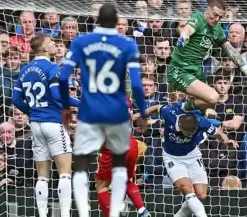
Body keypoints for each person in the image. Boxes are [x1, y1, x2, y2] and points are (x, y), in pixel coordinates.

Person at [58, 3, 147, 217]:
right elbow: (136, 85)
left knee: (82, 166)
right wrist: (142, 112)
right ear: (117, 23)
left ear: (96, 20)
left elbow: (62, 77)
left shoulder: (81, 41)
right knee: (119, 172)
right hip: (117, 113)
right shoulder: (127, 44)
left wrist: (65, 107)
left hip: (91, 111)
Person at [12, 34, 80, 217]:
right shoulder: (52, 68)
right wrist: (81, 103)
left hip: (35, 124)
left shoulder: (25, 70)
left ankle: (43, 214)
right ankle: (65, 214)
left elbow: (16, 99)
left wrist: (32, 111)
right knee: (65, 172)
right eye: (51, 43)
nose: (54, 46)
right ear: (43, 48)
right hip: (53, 122)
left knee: (42, 175)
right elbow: (58, 96)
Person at [135, 102, 237, 217]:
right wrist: (139, 114)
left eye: (192, 133)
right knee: (187, 189)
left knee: (201, 195)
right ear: (181, 126)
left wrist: (225, 140)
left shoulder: (202, 122)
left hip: (193, 155)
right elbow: (156, 107)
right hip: (172, 157)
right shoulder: (170, 113)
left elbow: (218, 133)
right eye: (188, 133)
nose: (190, 135)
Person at [168, 0, 247, 113]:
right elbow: (187, 29)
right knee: (213, 97)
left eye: (220, 17)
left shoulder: (217, 29)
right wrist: (183, 37)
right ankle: (181, 108)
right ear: (207, 10)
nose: (217, 19)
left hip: (195, 71)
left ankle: (185, 113)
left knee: (208, 105)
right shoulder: (199, 18)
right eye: (215, 15)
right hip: (179, 70)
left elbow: (230, 50)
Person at [96, 96, 151, 217]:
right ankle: (143, 211)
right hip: (131, 143)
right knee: (125, 180)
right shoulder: (125, 97)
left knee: (101, 186)